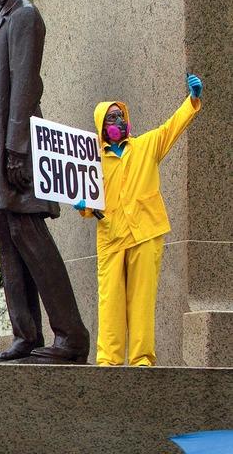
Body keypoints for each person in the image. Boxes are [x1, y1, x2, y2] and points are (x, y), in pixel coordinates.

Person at [0, 0, 90, 363]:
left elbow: (25, 85)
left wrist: (17, 148)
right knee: (6, 231)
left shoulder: (25, 16)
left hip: (15, 147)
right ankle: (26, 335)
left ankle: (71, 337)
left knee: (27, 230)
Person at [74, 74, 203, 366]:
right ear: (101, 127)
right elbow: (86, 199)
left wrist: (192, 100)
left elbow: (171, 128)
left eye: (121, 116)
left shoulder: (146, 145)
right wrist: (81, 204)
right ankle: (109, 360)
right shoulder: (92, 159)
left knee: (142, 300)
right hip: (111, 236)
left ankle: (142, 359)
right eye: (111, 118)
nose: (118, 121)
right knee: (110, 301)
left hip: (146, 232)